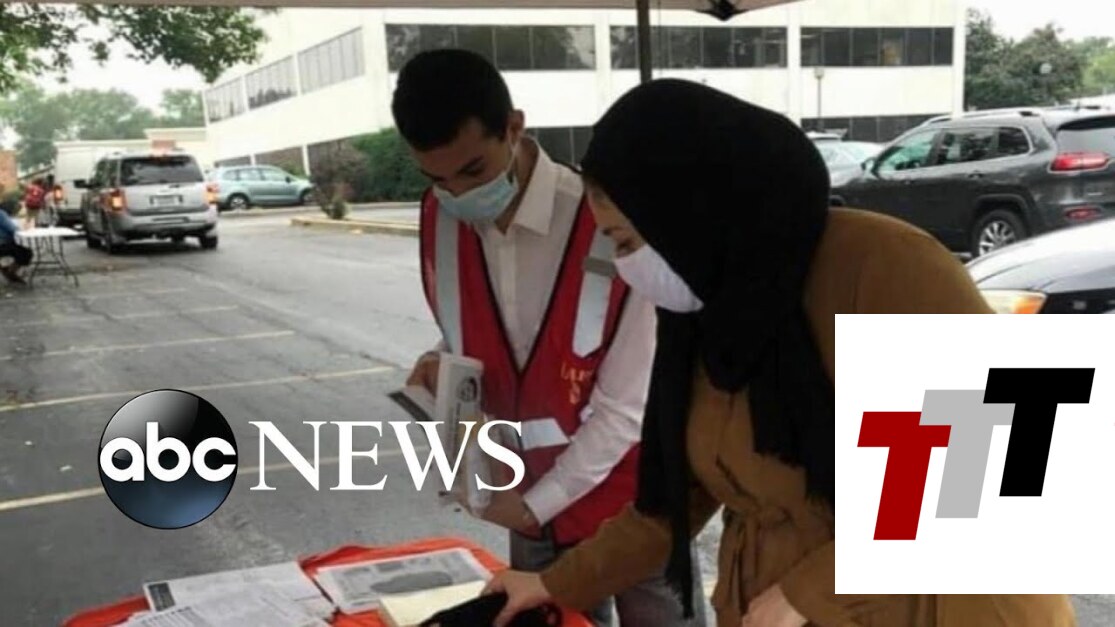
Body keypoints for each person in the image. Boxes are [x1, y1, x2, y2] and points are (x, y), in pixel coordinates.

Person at [484, 79, 1077, 627]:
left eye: (627, 241)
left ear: (689, 213)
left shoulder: (886, 264)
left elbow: (986, 468)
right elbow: (667, 510)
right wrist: (551, 583)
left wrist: (809, 592)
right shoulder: (706, 311)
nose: (625, 268)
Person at [391, 51, 704, 627]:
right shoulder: (440, 217)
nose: (457, 193)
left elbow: (626, 406)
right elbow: (478, 336)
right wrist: (440, 366)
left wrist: (535, 506)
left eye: (473, 171)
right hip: (528, 501)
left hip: (631, 503)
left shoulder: (608, 219)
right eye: (437, 179)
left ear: (514, 127)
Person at [0, 198, 31, 284]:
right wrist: (22, 228)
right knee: (26, 253)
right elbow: (12, 229)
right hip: (2, 244)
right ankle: (11, 272)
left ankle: (5, 269)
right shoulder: (1, 214)